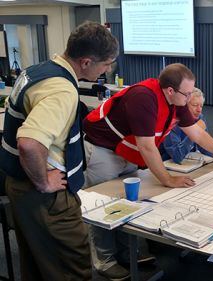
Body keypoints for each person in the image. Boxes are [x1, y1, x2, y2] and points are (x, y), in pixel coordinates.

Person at [82, 63, 213, 279]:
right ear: (170, 90)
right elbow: (147, 146)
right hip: (103, 149)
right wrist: (167, 179)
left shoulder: (178, 100)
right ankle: (105, 260)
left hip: (125, 151)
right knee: (104, 206)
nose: (189, 98)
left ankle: (126, 253)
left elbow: (196, 132)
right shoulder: (144, 98)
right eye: (186, 94)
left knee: (126, 201)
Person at [0, 22, 118, 281]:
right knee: (70, 267)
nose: (108, 70)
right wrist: (43, 182)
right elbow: (29, 143)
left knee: (39, 265)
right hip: (45, 197)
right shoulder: (62, 90)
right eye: (107, 64)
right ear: (86, 62)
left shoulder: (38, 70)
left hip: (19, 186)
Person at [159, 87, 213, 163]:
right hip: (167, 164)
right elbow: (177, 156)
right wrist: (194, 133)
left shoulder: (199, 117)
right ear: (184, 106)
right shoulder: (172, 122)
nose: (199, 110)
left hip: (188, 160)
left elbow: (203, 145)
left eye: (201, 106)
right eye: (195, 105)